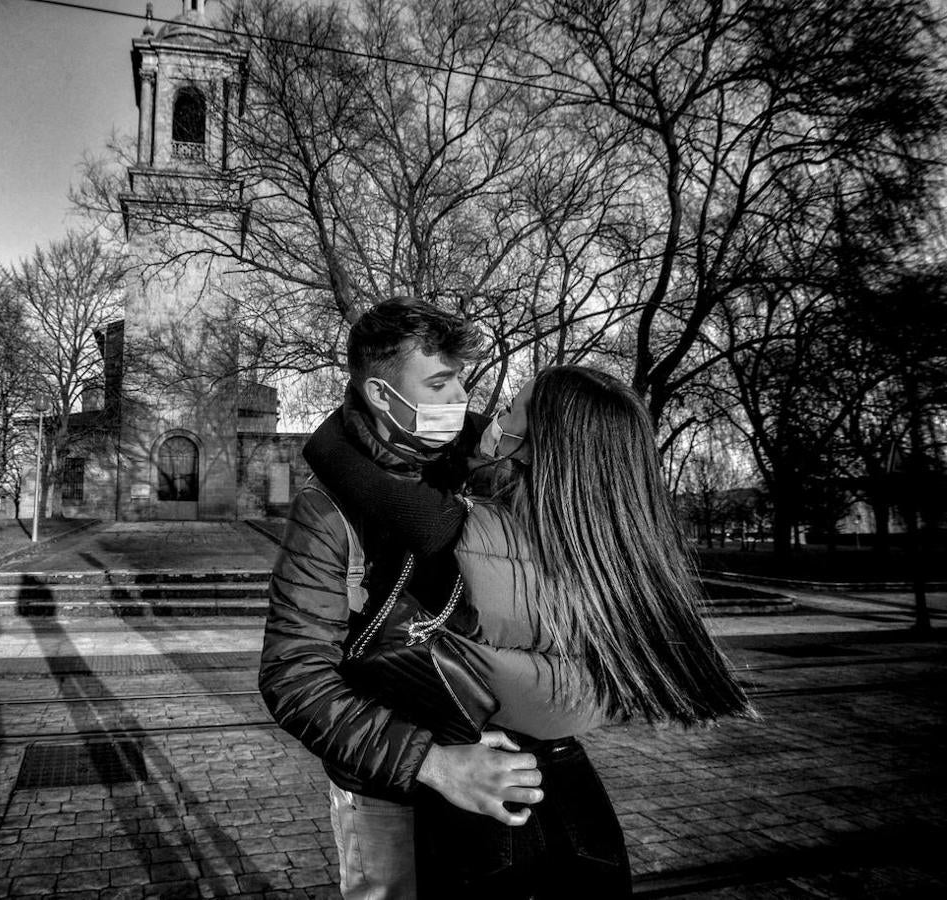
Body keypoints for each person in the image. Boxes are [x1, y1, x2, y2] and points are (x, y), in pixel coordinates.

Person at [305, 364, 755, 897]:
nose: (494, 417)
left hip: (464, 777)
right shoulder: (624, 554)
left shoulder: (465, 531)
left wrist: (382, 407)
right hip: (550, 768)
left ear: (538, 439)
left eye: (513, 406)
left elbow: (327, 451)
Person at [259, 298, 549, 900]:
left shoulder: (480, 466)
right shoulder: (327, 509)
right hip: (386, 789)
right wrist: (434, 765)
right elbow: (294, 675)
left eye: (462, 380)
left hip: (497, 766)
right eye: (439, 383)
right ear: (383, 397)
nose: (459, 399)